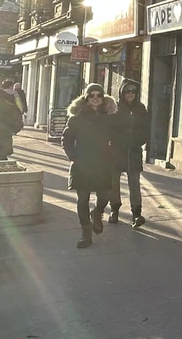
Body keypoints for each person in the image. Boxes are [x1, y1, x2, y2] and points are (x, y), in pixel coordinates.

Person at [62, 83, 118, 249]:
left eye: (98, 95)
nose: (95, 98)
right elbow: (67, 139)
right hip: (82, 162)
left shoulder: (108, 118)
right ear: (86, 98)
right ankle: (86, 234)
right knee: (83, 199)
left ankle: (98, 212)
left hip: (103, 163)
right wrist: (73, 157)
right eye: (91, 95)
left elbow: (116, 139)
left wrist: (112, 153)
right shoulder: (77, 118)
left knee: (104, 195)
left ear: (103, 98)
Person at [109, 79, 149, 228]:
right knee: (114, 183)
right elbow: (109, 128)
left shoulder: (141, 108)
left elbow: (146, 129)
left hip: (133, 151)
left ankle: (136, 214)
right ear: (122, 92)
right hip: (117, 151)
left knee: (134, 184)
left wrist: (138, 140)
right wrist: (117, 140)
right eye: (127, 91)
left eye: (133, 91)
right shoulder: (115, 108)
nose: (130, 94)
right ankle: (114, 210)